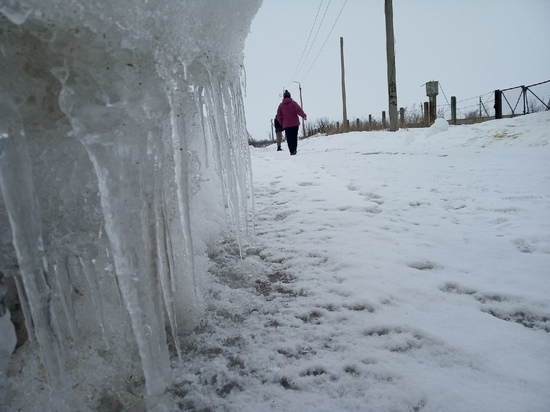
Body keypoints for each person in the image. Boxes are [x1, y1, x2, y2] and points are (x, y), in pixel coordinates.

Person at [276, 90, 307, 155]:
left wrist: (282, 123)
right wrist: (303, 116)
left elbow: (279, 115)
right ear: (290, 96)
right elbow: (299, 110)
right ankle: (294, 149)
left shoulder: (281, 106)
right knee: (294, 137)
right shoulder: (293, 103)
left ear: (284, 97)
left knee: (289, 138)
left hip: (287, 125)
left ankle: (292, 151)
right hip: (295, 124)